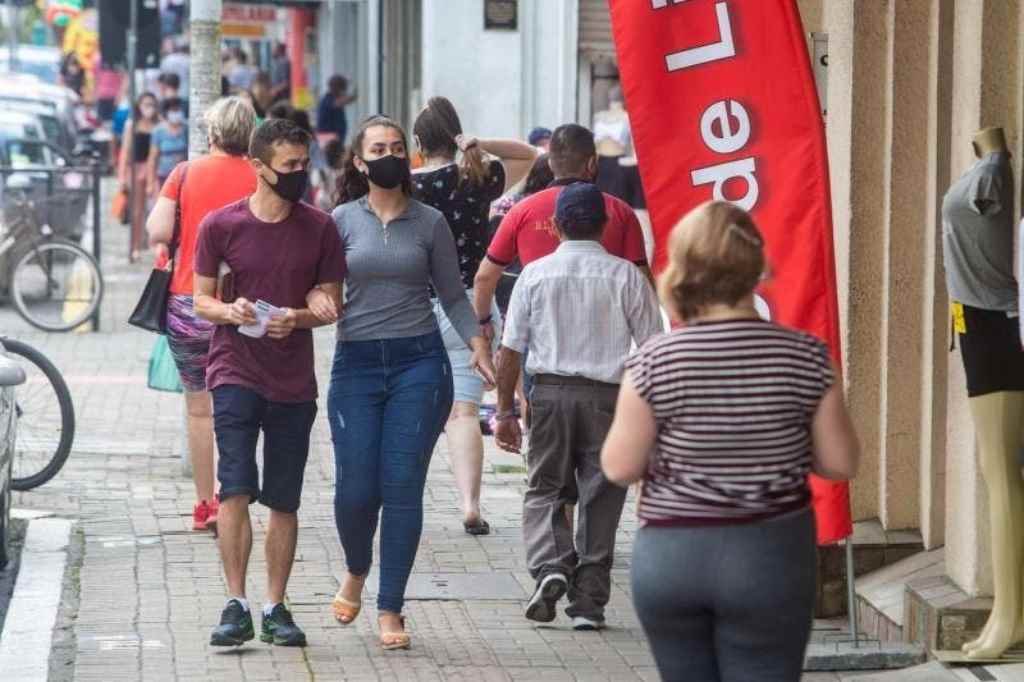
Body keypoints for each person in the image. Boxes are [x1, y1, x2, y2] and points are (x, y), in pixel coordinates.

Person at [600, 201, 860, 680]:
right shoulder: (806, 355)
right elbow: (840, 462)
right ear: (756, 266)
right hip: (771, 553)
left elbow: (619, 466)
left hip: (673, 554)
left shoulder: (655, 360)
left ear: (684, 266)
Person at [306, 115, 496, 650]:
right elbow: (318, 284)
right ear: (360, 162)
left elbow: (453, 293)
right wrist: (317, 298)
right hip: (357, 365)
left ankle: (391, 606)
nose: (388, 156)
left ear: (407, 156)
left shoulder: (430, 222)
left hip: (420, 364)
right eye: (378, 149)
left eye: (396, 147)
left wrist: (478, 342)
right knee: (355, 491)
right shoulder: (340, 220)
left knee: (402, 486)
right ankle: (356, 569)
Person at [193, 118, 346, 649]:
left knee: (284, 498)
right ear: (258, 167)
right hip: (233, 369)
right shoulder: (221, 225)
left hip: (293, 381)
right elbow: (200, 299)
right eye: (289, 165)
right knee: (235, 485)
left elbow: (330, 302)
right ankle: (235, 603)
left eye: (304, 163)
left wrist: (298, 317)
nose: (300, 173)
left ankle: (275, 606)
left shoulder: (320, 228)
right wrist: (230, 311)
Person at [493, 182, 663, 631]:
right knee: (602, 495)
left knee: (545, 488)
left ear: (556, 226)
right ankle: (589, 603)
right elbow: (653, 350)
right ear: (604, 226)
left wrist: (505, 410)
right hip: (610, 400)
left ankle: (551, 565)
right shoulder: (627, 277)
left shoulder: (534, 274)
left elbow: (511, 350)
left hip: (549, 395)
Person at [411, 96, 538, 535]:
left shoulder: (405, 187)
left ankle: (403, 501)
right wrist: (479, 145)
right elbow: (528, 154)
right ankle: (470, 505)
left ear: (418, 143)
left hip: (415, 306)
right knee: (463, 412)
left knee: (411, 409)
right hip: (469, 307)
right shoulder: (477, 177)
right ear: (456, 135)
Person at [146, 96, 258, 535]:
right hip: (245, 308)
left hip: (188, 303)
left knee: (199, 408)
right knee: (243, 404)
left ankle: (204, 504)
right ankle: (235, 495)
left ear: (212, 132)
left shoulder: (185, 173)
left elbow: (158, 230)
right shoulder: (261, 176)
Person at [474, 123, 651, 401]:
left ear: (550, 162)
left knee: (536, 415)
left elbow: (484, 277)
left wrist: (484, 321)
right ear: (592, 163)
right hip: (606, 359)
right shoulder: (619, 211)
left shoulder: (522, 211)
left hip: (542, 349)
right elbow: (644, 285)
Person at [119, 92, 161, 261]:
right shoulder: (132, 125)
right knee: (137, 210)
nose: (148, 108)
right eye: (145, 104)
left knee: (157, 208)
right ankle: (135, 246)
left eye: (152, 104)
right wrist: (122, 177)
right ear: (139, 106)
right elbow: (125, 151)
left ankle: (155, 245)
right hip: (136, 169)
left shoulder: (159, 124)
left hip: (155, 170)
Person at [148, 97, 188, 198]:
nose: (177, 113)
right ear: (167, 113)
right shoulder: (158, 131)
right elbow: (153, 157)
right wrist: (151, 183)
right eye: (173, 111)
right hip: (163, 176)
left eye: (178, 110)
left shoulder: (186, 129)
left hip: (183, 177)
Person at [316, 75, 357, 143]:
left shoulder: (330, 99)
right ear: (337, 88)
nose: (344, 92)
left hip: (332, 136)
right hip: (329, 137)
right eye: (343, 88)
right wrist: (354, 89)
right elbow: (343, 101)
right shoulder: (328, 100)